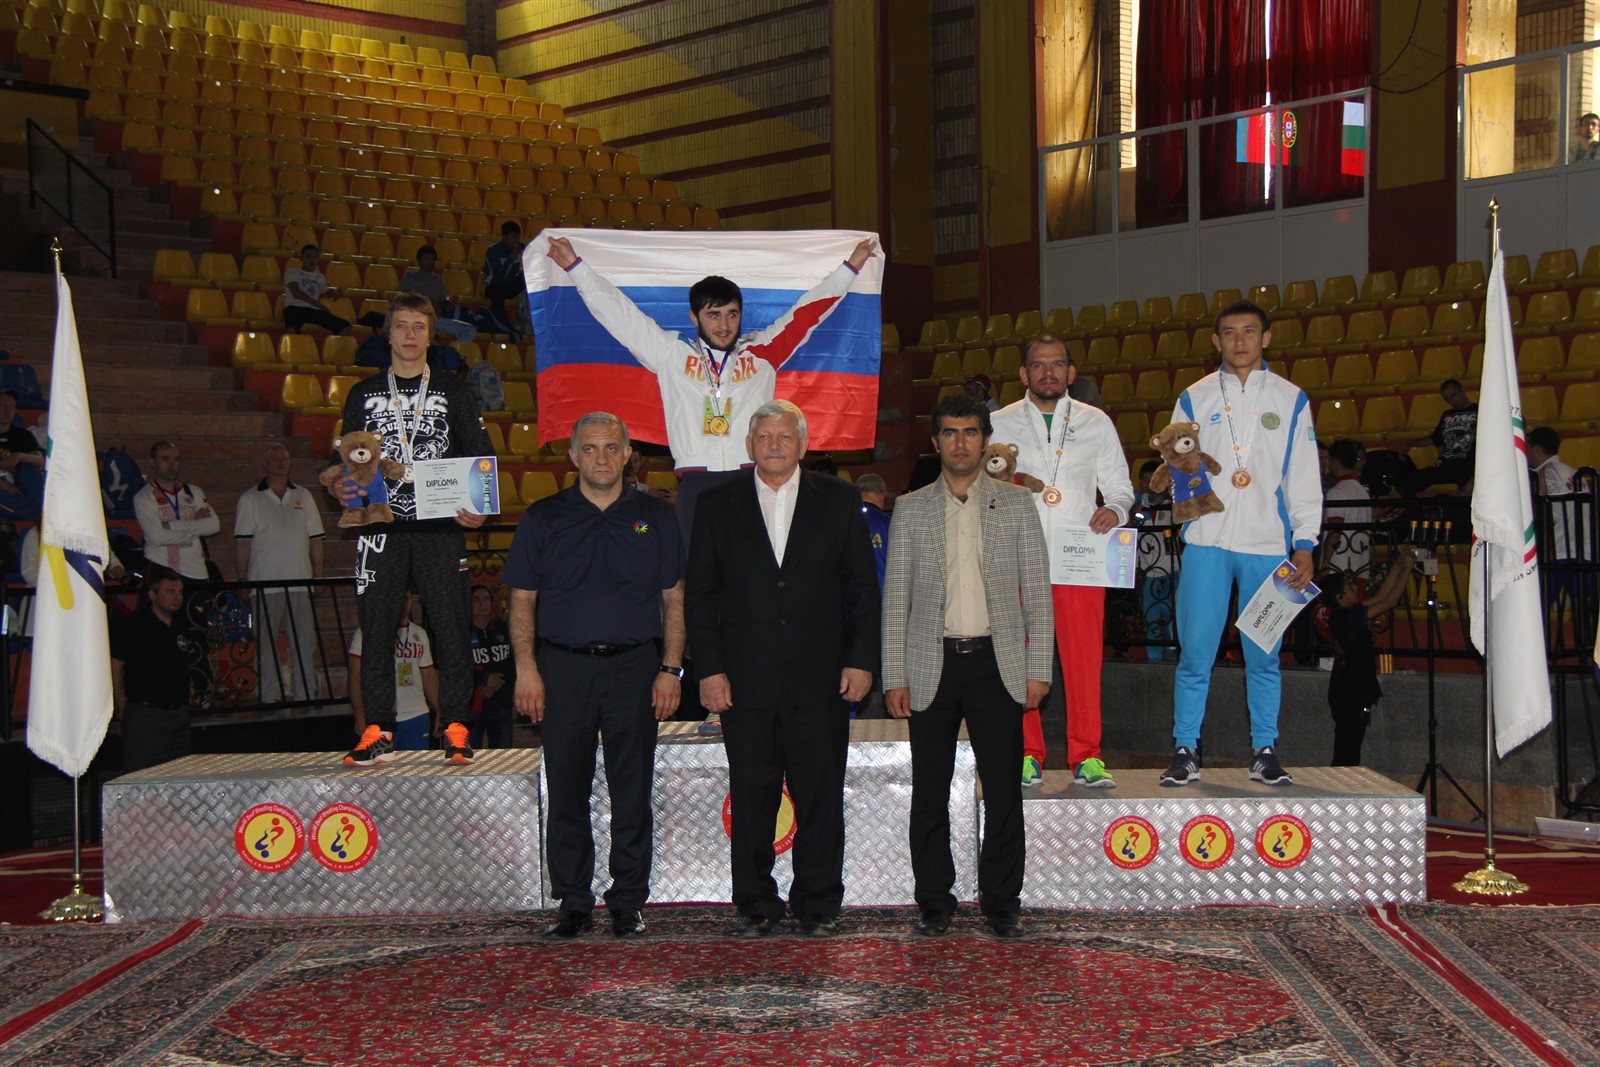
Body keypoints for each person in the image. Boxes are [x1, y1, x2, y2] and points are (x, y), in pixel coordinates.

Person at [684, 399, 878, 937]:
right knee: (752, 793)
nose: (774, 445)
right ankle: (755, 901)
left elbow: (863, 590)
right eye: (764, 436)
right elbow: (701, 596)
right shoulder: (716, 504)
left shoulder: (838, 500)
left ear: (803, 445)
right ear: (749, 445)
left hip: (822, 678)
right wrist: (709, 669)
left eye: (784, 436)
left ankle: (817, 901)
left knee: (820, 792)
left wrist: (861, 660)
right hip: (743, 680)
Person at [504, 411, 685, 939]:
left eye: (611, 448)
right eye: (590, 448)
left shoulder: (656, 517)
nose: (601, 458)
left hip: (636, 668)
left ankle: (627, 900)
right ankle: (573, 900)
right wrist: (526, 669)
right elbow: (521, 601)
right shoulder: (543, 518)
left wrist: (670, 669)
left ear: (628, 454)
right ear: (572, 456)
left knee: (632, 790)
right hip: (561, 669)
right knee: (566, 789)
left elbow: (674, 599)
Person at [881, 394, 1053, 938]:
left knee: (1003, 789)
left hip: (997, 664)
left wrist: (1038, 667)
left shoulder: (1017, 503)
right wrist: (895, 675)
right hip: (930, 664)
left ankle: (1002, 900)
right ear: (936, 441)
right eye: (951, 433)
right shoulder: (911, 508)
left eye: (971, 432)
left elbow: (1038, 591)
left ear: (985, 441)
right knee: (929, 789)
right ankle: (934, 900)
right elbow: (896, 598)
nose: (961, 442)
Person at [1163, 301, 1321, 787]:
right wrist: (1191, 515)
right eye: (1229, 332)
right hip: (1207, 542)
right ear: (1216, 341)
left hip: (1267, 543)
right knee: (1195, 652)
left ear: (1266, 338)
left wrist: (1304, 542)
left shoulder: (1292, 399)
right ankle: (1185, 748)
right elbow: (1178, 465)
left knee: (1264, 655)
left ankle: (1265, 749)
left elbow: (1303, 476)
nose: (1239, 341)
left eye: (1249, 331)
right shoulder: (1194, 397)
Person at [334, 291, 493, 767]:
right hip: (380, 526)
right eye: (401, 326)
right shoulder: (362, 393)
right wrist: (342, 487)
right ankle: (378, 727)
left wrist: (480, 507)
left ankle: (457, 726)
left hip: (439, 527)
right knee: (377, 628)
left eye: (418, 327)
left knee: (451, 626)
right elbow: (347, 459)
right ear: (389, 333)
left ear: (430, 335)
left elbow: (479, 453)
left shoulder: (453, 390)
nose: (409, 335)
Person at [991, 333, 1133, 789]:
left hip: (1079, 561)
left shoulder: (1096, 422)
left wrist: (1116, 509)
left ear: (1071, 373)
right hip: (1017, 560)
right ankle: (1024, 753)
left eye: (1056, 365)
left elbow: (1120, 487)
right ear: (1023, 374)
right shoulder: (997, 423)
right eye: (1038, 364)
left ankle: (1087, 755)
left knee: (1083, 662)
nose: (1047, 372)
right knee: (1017, 662)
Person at [234, 443, 325, 703]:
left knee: (304, 643)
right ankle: (270, 697)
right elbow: (242, 543)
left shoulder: (303, 496)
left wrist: (318, 574)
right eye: (275, 458)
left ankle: (305, 695)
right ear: (264, 463)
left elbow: (316, 539)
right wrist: (243, 578)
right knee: (266, 644)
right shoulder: (250, 499)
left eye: (285, 458)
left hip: (300, 581)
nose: (281, 462)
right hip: (264, 583)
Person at [1324, 549, 1414, 766]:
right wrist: (1406, 570)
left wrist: (1398, 565)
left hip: (1349, 692)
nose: (1356, 588)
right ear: (1340, 597)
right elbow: (1390, 602)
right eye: (1350, 587)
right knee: (1347, 751)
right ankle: (1341, 784)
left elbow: (1381, 596)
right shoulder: (1345, 617)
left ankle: (1343, 782)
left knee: (1349, 747)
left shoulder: (1344, 614)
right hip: (1350, 693)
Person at [110, 568, 196, 771]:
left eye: (180, 591)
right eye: (169, 591)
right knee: (143, 775)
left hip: (178, 713)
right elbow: (116, 664)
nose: (176, 597)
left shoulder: (180, 624)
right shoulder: (134, 625)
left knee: (180, 776)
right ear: (152, 594)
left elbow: (182, 662)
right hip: (146, 714)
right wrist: (119, 698)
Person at [347, 588, 437, 751]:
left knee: (415, 766)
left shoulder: (419, 634)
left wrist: (439, 710)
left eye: (406, 598)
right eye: (398, 597)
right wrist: (359, 715)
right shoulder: (367, 632)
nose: (403, 603)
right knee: (382, 765)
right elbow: (355, 675)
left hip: (417, 715)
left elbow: (429, 675)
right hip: (380, 718)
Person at [133, 441, 220, 582]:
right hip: (162, 567)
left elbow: (214, 526)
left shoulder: (193, 491)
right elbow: (157, 537)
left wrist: (171, 525)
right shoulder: (144, 496)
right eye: (165, 459)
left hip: (197, 570)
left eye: (176, 459)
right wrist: (196, 529)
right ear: (152, 463)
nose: (172, 465)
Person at [1403, 379, 1477, 496]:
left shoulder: (1479, 411)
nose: (1452, 401)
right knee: (1407, 483)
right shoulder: (1447, 415)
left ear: (1462, 390)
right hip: (1445, 463)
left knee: (1468, 482)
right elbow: (1435, 438)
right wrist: (1410, 443)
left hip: (1468, 463)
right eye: (1447, 399)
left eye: (1454, 395)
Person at [468, 585, 515, 749]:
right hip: (473, 705)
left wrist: (495, 685)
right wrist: (485, 679)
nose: (482, 604)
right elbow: (457, 668)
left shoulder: (504, 629)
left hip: (502, 704)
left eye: (486, 599)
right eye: (476, 600)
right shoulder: (462, 633)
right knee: (471, 757)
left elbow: (515, 663)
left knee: (503, 757)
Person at [1322, 438, 1372, 577]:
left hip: (1339, 566)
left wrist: (1326, 562)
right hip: (1361, 565)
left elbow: (1336, 530)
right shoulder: (1362, 491)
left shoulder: (1337, 492)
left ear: (1335, 461)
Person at [282, 244, 351, 336]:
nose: (312, 259)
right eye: (308, 256)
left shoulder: (320, 277)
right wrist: (321, 307)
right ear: (301, 258)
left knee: (344, 326)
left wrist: (330, 293)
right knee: (291, 328)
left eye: (315, 256)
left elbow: (319, 295)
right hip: (294, 308)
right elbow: (296, 293)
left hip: (313, 310)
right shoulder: (293, 272)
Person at [0, 389, 45, 521]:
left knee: (29, 466)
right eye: (3, 405)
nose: (8, 410)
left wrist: (19, 456)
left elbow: (41, 461)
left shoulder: (23, 435)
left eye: (12, 406)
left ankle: (32, 510)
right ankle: (34, 512)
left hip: (18, 482)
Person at [482, 221, 526, 336]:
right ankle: (499, 323)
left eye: (518, 237)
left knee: (528, 277)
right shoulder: (493, 250)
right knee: (498, 290)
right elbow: (497, 277)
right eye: (513, 237)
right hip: (492, 286)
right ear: (504, 237)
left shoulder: (521, 248)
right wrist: (511, 259)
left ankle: (525, 318)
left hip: (508, 286)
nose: (516, 241)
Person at [856, 472, 891, 592]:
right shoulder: (889, 523)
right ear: (882, 495)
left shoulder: (842, 520)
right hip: (881, 594)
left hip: (848, 597)